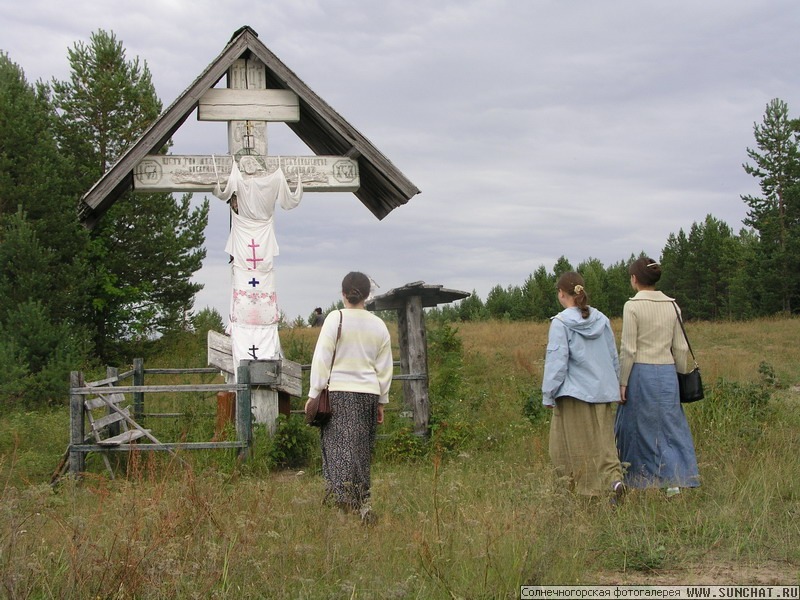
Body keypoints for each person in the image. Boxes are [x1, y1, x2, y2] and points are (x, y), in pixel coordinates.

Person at [305, 272, 393, 522]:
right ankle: (361, 503)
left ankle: (345, 506)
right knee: (360, 450)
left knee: (337, 449)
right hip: (368, 394)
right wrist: (382, 401)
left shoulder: (335, 318)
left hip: (339, 394)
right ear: (367, 295)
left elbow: (322, 357)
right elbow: (384, 368)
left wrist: (314, 393)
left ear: (343, 293)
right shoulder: (379, 325)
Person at [615, 257, 700, 496]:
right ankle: (673, 485)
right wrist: (680, 376)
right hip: (667, 373)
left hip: (640, 373)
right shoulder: (672, 305)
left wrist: (622, 382)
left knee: (635, 427)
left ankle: (636, 480)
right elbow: (681, 348)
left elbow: (628, 349)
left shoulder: (632, 306)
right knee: (670, 428)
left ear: (634, 279)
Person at [542, 272, 625, 502]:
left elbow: (557, 363)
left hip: (573, 395)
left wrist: (548, 394)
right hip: (602, 393)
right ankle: (614, 482)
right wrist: (616, 386)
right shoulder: (602, 319)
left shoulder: (560, 323)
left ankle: (589, 497)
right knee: (604, 445)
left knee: (573, 449)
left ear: (561, 293)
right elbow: (612, 356)